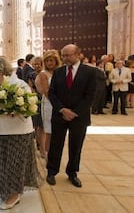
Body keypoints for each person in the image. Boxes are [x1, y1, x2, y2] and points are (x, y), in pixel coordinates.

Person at [0, 56, 41, 210]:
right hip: (0, 132)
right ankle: (5, 190)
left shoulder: (20, 85)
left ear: (0, 70)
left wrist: (13, 111)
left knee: (15, 165)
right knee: (3, 164)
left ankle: (14, 195)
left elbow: (29, 110)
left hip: (18, 133)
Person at [46, 44, 96, 188]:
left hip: (79, 117)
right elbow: (52, 93)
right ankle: (51, 171)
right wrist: (62, 109)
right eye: (63, 55)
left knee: (76, 145)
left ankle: (72, 172)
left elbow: (90, 95)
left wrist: (74, 112)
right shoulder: (58, 72)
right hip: (59, 115)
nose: (65, 58)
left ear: (78, 54)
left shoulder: (90, 72)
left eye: (68, 55)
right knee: (56, 144)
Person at [35, 50, 62, 159]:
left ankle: (54, 152)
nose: (49, 63)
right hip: (49, 103)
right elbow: (46, 91)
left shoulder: (59, 72)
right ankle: (47, 152)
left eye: (51, 60)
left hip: (59, 102)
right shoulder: (43, 74)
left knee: (57, 130)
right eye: (47, 61)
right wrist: (57, 104)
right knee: (48, 129)